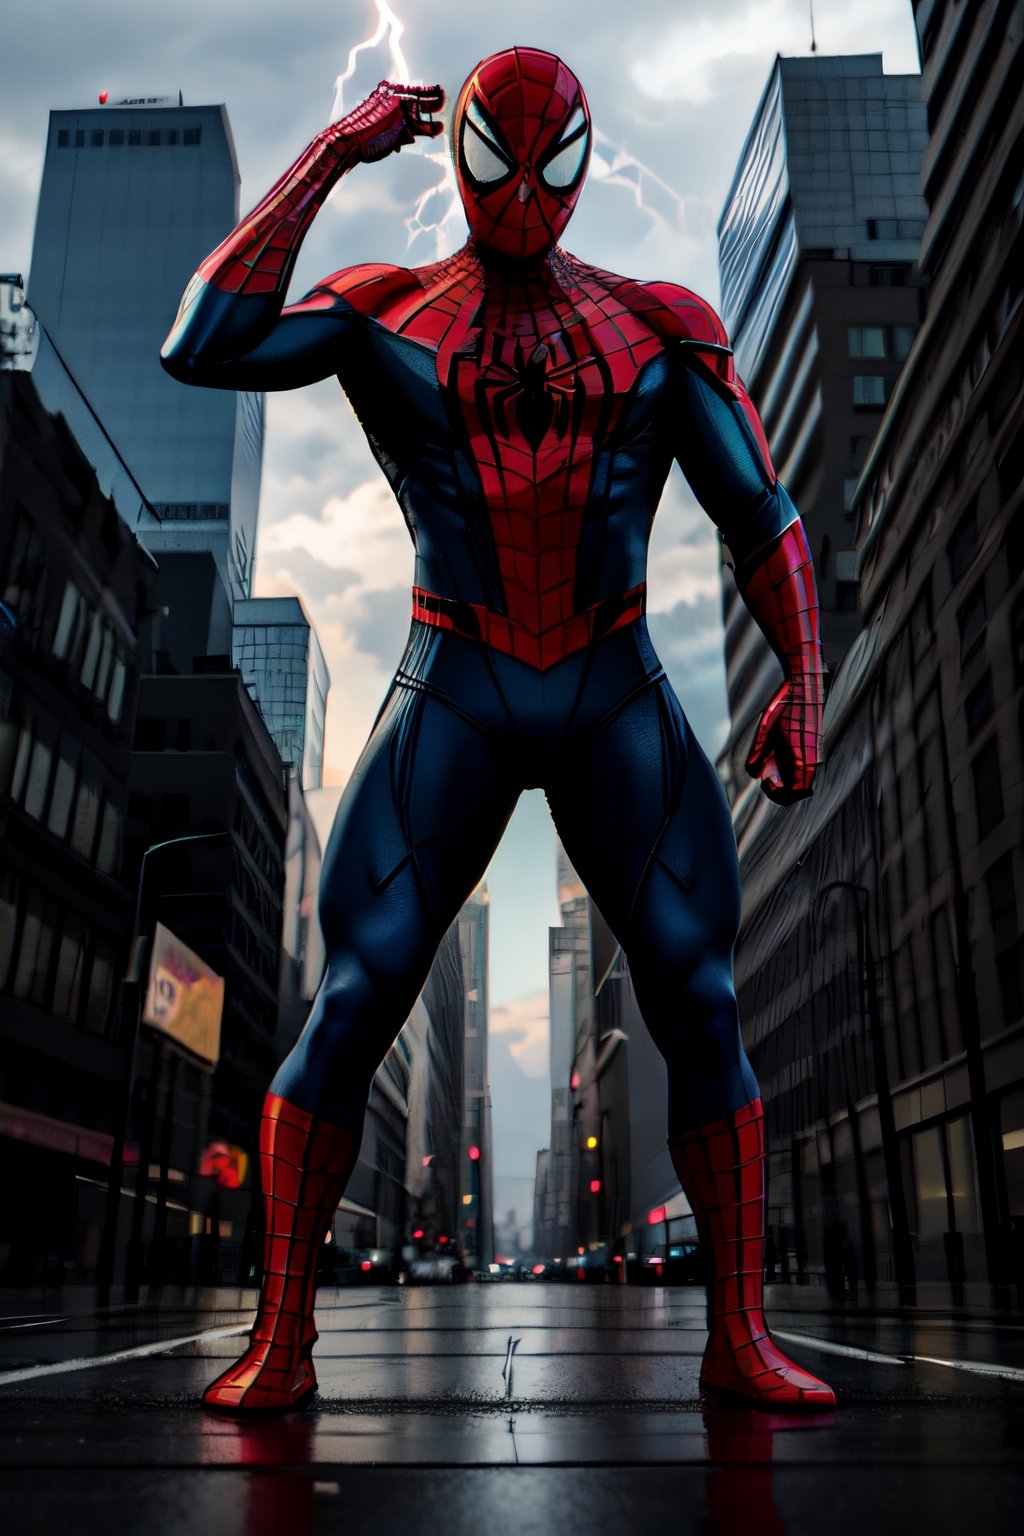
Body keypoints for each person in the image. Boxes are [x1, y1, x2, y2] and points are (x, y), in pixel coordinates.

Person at [162, 48, 834, 1414]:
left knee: (703, 1001)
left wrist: (806, 673)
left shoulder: (659, 325)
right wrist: (336, 151)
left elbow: (761, 507)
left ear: (587, 158)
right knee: (352, 1004)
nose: (523, 193)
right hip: (456, 671)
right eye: (494, 160)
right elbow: (205, 342)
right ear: (455, 147)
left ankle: (741, 1337)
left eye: (552, 163)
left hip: (608, 677)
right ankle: (281, 1338)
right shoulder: (388, 309)